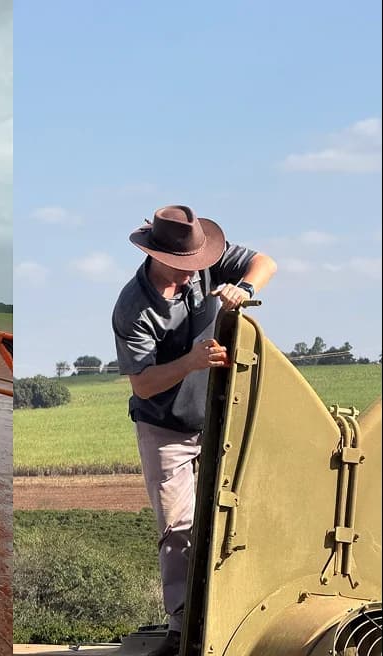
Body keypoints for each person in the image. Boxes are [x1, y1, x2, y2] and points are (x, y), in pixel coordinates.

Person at [110, 205, 274, 656]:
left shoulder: (207, 263)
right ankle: (184, 630)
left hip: (222, 418)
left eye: (196, 266)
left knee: (235, 515)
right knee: (179, 529)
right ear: (155, 255)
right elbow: (143, 385)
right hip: (165, 427)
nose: (192, 274)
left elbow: (266, 263)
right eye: (183, 268)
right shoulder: (133, 307)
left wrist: (243, 287)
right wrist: (193, 361)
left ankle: (237, 613)